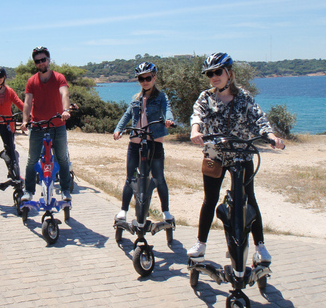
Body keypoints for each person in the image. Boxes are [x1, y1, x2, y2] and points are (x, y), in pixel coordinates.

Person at [186, 52, 285, 262]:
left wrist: (272, 137)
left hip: (241, 152)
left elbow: (259, 120)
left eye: (217, 72)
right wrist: (196, 131)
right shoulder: (206, 97)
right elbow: (198, 115)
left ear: (228, 73)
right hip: (214, 151)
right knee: (210, 199)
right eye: (210, 73)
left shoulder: (244, 97)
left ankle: (260, 247)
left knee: (249, 198)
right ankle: (201, 244)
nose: (214, 77)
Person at [113, 62, 176, 222]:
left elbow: (167, 108)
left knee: (159, 177)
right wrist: (118, 129)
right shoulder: (136, 98)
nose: (145, 81)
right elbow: (127, 114)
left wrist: (169, 119)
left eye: (148, 78)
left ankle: (166, 212)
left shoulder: (161, 96)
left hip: (154, 142)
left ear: (154, 77)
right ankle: (123, 211)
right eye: (142, 79)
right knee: (130, 177)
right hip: (135, 141)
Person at [20, 46, 72, 202]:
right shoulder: (32, 81)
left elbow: (65, 93)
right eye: (38, 61)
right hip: (37, 126)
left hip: (58, 124)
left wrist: (65, 110)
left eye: (43, 60)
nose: (41, 63)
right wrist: (25, 120)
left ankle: (64, 191)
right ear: (35, 63)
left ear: (49, 60)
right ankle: (28, 191)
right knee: (32, 159)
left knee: (62, 158)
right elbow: (27, 102)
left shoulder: (59, 77)